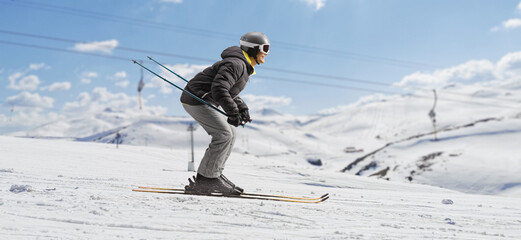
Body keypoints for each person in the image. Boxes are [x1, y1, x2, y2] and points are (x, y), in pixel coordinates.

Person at [181, 32, 270, 195]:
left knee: (231, 133)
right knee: (223, 134)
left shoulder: (243, 66)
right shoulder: (237, 64)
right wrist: (232, 111)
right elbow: (219, 88)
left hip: (203, 99)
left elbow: (229, 91)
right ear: (253, 49)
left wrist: (241, 107)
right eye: (264, 48)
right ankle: (207, 180)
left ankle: (212, 175)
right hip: (196, 99)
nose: (266, 53)